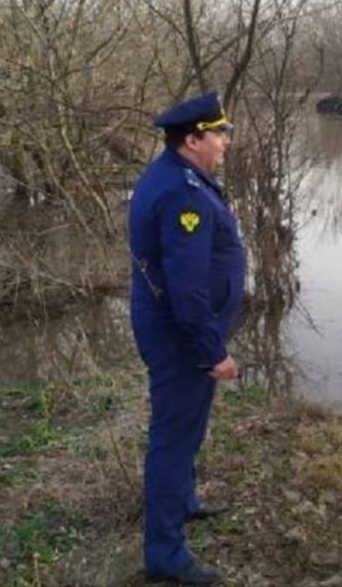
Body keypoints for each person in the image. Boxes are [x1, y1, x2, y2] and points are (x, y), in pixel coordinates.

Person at [128, 91, 245, 585]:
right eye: (219, 134)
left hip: (174, 331)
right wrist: (212, 352)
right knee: (173, 440)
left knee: (185, 429)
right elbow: (187, 288)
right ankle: (166, 557)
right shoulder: (183, 194)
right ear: (193, 139)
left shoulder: (177, 175)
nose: (225, 143)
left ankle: (184, 501)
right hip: (181, 338)